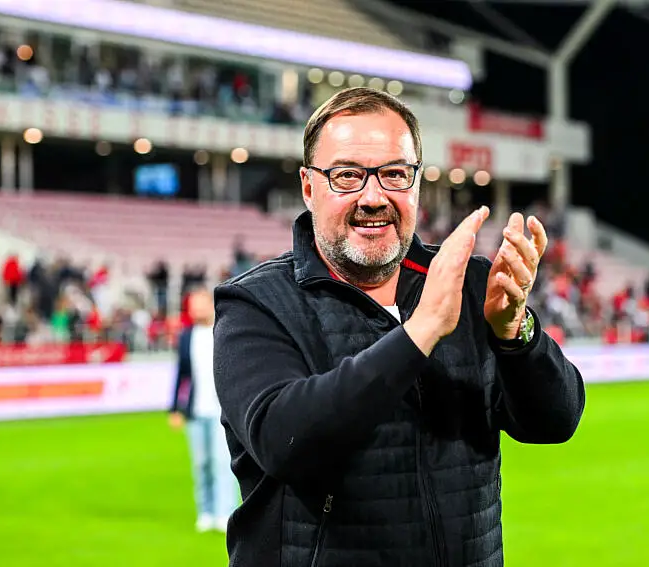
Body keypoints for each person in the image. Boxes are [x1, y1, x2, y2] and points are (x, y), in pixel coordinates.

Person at [213, 87, 585, 567]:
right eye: (347, 176)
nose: (373, 198)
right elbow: (284, 442)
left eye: (394, 174)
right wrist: (421, 331)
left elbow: (556, 422)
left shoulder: (469, 283)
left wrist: (515, 333)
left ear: (416, 183)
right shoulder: (256, 303)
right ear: (308, 187)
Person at [170, 287, 237, 533]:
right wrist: (175, 408)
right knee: (201, 464)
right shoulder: (186, 336)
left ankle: (225, 512)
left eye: (201, 304)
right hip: (196, 411)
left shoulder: (223, 331)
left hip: (222, 412)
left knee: (222, 463)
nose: (197, 310)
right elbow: (181, 374)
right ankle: (205, 512)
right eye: (193, 306)